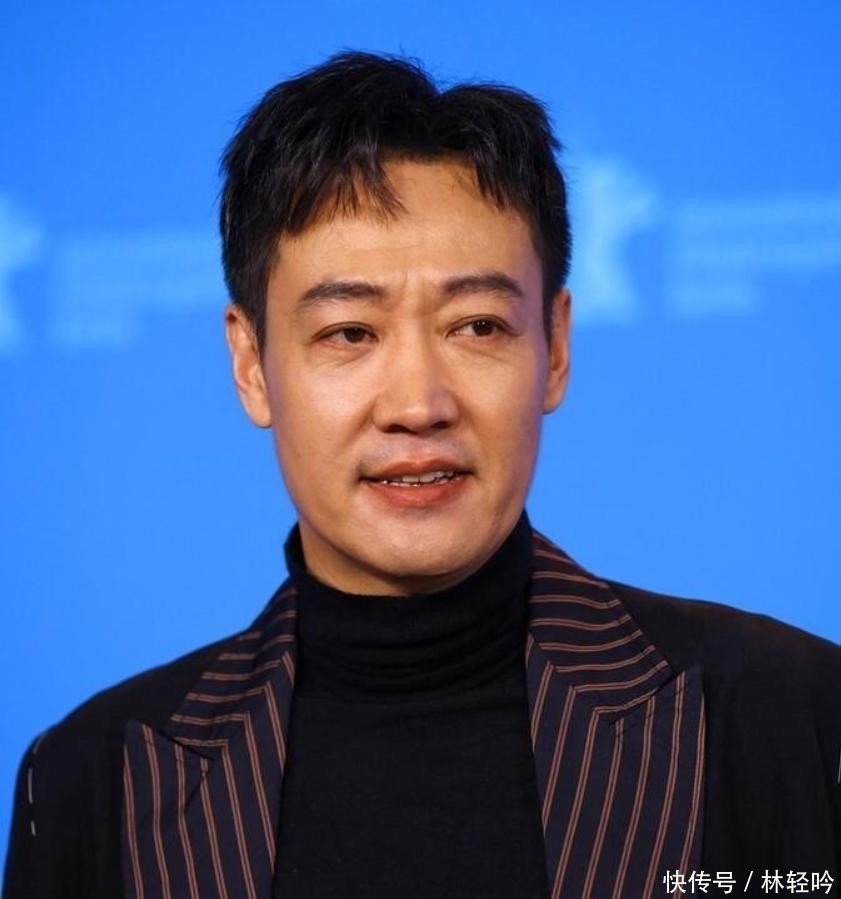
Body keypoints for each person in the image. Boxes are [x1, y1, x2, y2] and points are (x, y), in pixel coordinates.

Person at [3, 51, 839, 899]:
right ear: (250, 364)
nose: (417, 404)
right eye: (349, 333)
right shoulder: (93, 782)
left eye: (476, 326)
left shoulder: (787, 715)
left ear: (554, 348)